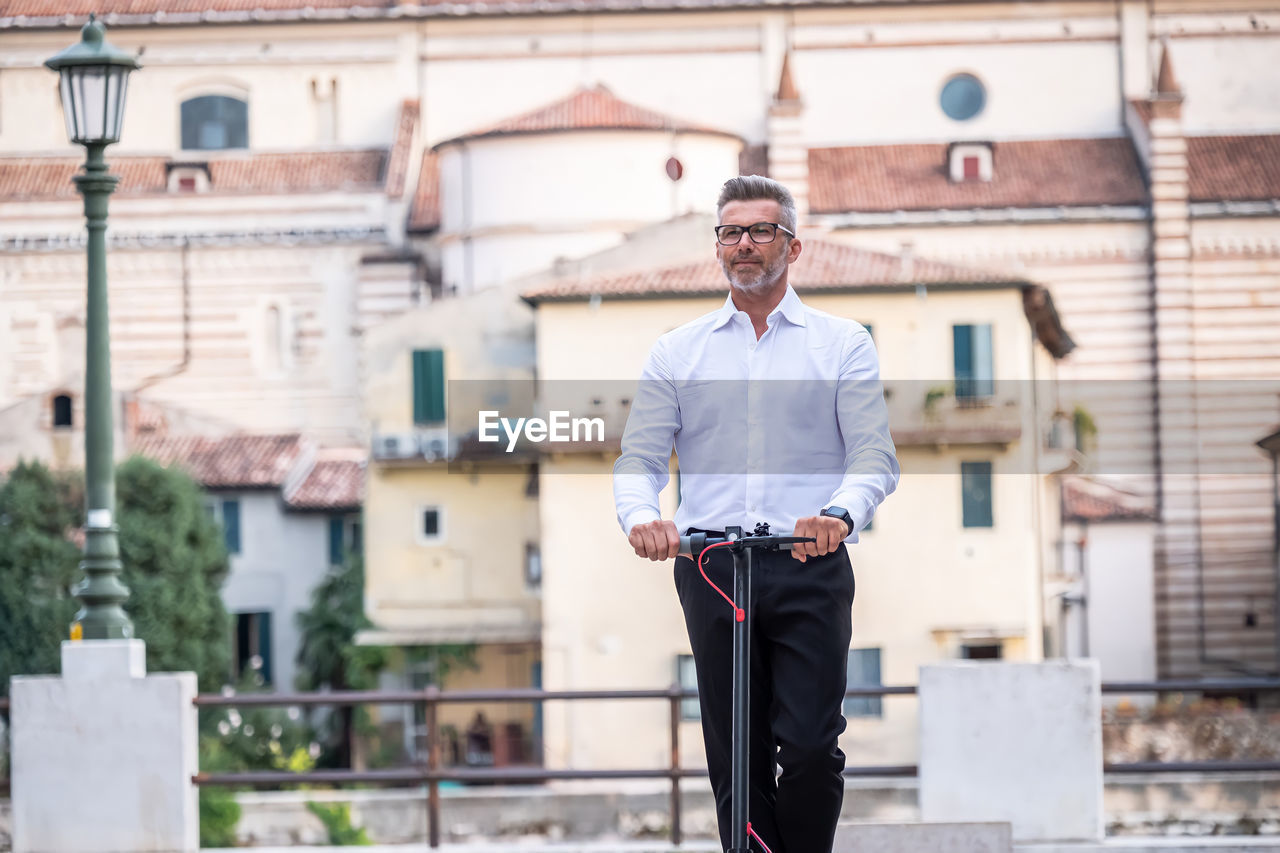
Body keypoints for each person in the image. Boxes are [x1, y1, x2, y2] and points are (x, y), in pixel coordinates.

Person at [613, 175, 899, 853]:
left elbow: (874, 459)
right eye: (731, 232)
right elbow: (641, 460)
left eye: (761, 230)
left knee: (807, 746)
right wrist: (640, 519)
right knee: (734, 755)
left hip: (808, 561)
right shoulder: (677, 351)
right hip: (711, 566)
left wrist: (839, 512)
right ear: (718, 247)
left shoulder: (841, 344)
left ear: (793, 246)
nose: (744, 244)